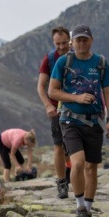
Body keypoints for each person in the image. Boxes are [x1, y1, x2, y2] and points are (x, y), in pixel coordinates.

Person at [48, 25, 109, 217]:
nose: (81, 43)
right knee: (77, 163)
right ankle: (79, 207)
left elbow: (108, 92)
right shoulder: (64, 62)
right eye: (78, 40)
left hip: (94, 121)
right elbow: (52, 91)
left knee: (91, 168)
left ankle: (88, 209)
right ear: (72, 42)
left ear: (91, 40)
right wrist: (76, 98)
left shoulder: (101, 63)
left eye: (85, 39)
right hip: (70, 120)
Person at [36, 26, 71, 198]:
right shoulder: (49, 59)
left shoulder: (79, 55)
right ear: (53, 42)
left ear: (70, 40)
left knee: (76, 147)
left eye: (64, 43)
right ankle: (62, 183)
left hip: (78, 108)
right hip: (57, 110)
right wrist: (48, 106)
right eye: (58, 44)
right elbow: (41, 86)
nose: (61, 47)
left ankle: (76, 176)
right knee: (58, 146)